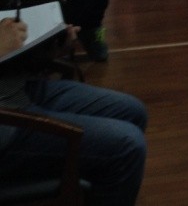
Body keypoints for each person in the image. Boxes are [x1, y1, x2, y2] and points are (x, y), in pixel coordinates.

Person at [0, 16, 147, 204]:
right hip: (7, 120)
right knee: (128, 145)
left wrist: (49, 41)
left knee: (132, 111)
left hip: (15, 87)